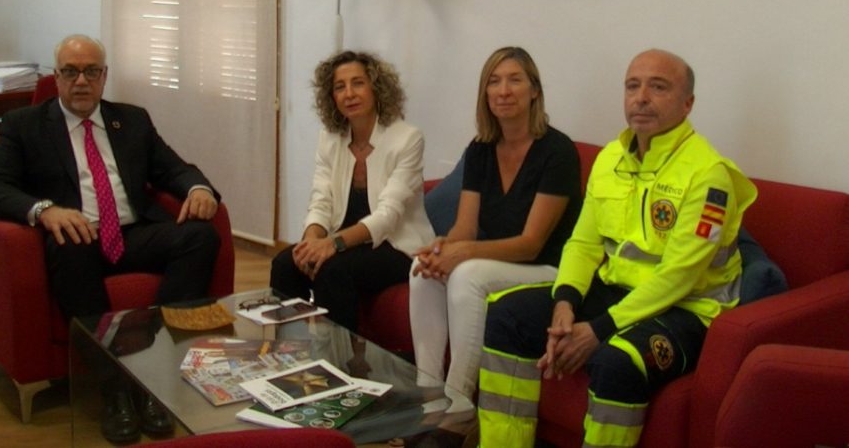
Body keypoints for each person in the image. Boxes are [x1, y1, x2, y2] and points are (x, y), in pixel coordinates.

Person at [476, 49, 758, 447]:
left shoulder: (709, 175)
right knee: (508, 315)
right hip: (615, 292)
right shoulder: (611, 159)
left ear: (687, 103)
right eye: (632, 86)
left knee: (618, 360)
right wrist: (564, 303)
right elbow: (583, 243)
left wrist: (598, 330)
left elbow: (679, 277)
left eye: (658, 87)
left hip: (687, 310)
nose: (641, 98)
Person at [0, 34, 221, 443]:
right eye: (71, 72)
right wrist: (45, 210)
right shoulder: (25, 124)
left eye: (91, 71)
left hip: (133, 233)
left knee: (199, 236)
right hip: (78, 239)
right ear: (56, 77)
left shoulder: (132, 120)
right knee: (72, 245)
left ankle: (156, 373)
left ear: (104, 76)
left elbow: (174, 168)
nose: (81, 81)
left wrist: (199, 189)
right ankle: (115, 390)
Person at [409, 46, 582, 414]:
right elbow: (466, 227)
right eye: (494, 81)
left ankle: (458, 403)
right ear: (484, 93)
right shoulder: (481, 149)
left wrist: (463, 253)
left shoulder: (558, 151)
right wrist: (442, 246)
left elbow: (531, 244)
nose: (503, 91)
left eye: (514, 80)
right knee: (421, 270)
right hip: (502, 261)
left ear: (534, 90)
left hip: (549, 267)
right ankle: (428, 394)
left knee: (466, 274)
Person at [270, 50, 434, 333]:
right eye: (340, 87)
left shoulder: (407, 138)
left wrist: (332, 244)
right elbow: (321, 200)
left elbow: (387, 216)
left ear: (376, 88)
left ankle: (336, 356)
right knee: (285, 263)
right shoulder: (330, 138)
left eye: (358, 83)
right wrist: (311, 241)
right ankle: (289, 348)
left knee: (333, 269)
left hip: (395, 245)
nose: (349, 94)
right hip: (346, 242)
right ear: (331, 97)